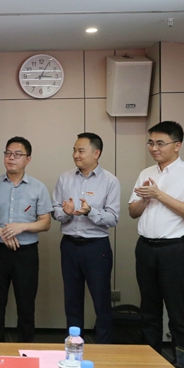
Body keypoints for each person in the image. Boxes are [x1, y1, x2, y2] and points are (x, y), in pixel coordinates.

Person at [129, 121, 184, 357]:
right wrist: (145, 199)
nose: (154, 148)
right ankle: (150, 362)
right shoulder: (146, 173)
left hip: (174, 250)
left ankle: (183, 366)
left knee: (177, 311)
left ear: (177, 145)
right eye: (151, 143)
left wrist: (159, 195)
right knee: (148, 310)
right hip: (145, 247)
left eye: (160, 143)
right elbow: (133, 211)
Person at [0, 137, 51, 342]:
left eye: (17, 155)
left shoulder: (38, 188)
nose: (11, 158)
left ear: (28, 159)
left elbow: (45, 223)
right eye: (8, 153)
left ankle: (25, 351)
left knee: (26, 306)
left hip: (26, 254)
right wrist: (1, 232)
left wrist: (22, 227)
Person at [52, 132, 120, 344]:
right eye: (74, 150)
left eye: (81, 151)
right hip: (69, 245)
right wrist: (67, 212)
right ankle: (74, 345)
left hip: (96, 247)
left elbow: (113, 218)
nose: (76, 155)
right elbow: (56, 211)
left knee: (101, 300)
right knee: (72, 300)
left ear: (96, 153)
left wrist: (90, 211)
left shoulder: (110, 181)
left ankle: (103, 348)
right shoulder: (65, 178)